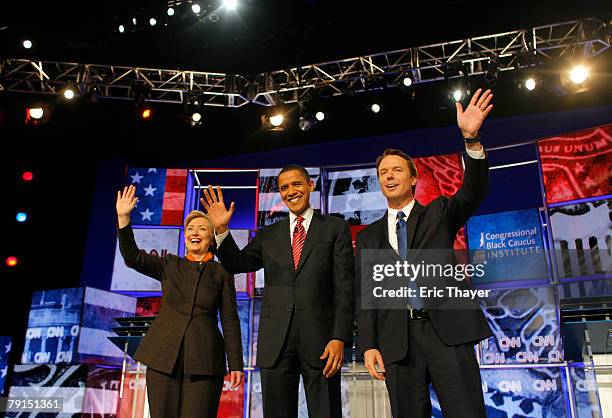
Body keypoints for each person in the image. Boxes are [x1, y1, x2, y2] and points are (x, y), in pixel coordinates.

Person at [356, 88, 495, 418]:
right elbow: (367, 296)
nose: (389, 176)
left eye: (397, 170)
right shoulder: (369, 237)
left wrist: (472, 141)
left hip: (446, 333)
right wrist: (369, 345)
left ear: (414, 177)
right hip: (397, 342)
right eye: (383, 173)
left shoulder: (439, 213)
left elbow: (474, 191)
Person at [201, 166, 354, 418]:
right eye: (284, 187)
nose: (291, 191)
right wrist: (220, 230)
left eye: (297, 184)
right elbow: (237, 263)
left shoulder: (335, 228)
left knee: (326, 411)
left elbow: (345, 287)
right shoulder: (269, 234)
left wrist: (339, 337)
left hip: (322, 339)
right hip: (276, 341)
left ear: (310, 186)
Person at [116, 184, 244, 418]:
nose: (194, 232)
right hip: (163, 357)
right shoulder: (169, 265)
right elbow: (132, 257)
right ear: (185, 236)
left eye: (202, 229)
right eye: (190, 228)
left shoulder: (222, 272)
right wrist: (124, 218)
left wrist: (236, 363)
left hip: (205, 362)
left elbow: (230, 321)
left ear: (211, 238)